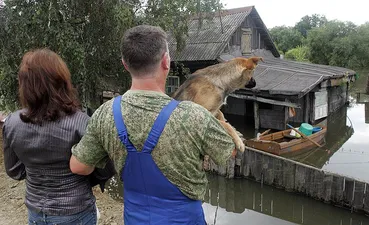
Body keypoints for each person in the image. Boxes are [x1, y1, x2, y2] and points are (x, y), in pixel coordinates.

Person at [69, 25, 236, 224]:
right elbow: (229, 152)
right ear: (166, 61)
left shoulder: (105, 114)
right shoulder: (194, 115)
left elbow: (78, 166)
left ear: (125, 64)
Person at [2, 48, 101, 225]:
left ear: (25, 85)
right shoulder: (81, 122)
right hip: (75, 210)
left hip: (36, 211)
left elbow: (14, 170)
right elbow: (101, 170)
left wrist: (38, 171)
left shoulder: (12, 123)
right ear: (61, 81)